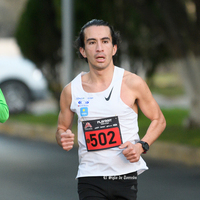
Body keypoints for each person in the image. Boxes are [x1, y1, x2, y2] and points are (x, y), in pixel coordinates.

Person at [56, 19, 166, 200]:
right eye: (92, 42)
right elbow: (61, 128)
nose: (99, 48)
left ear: (114, 48)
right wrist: (62, 137)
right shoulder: (71, 90)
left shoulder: (132, 83)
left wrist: (142, 146)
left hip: (125, 176)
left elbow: (159, 120)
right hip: (89, 177)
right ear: (83, 51)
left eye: (105, 41)